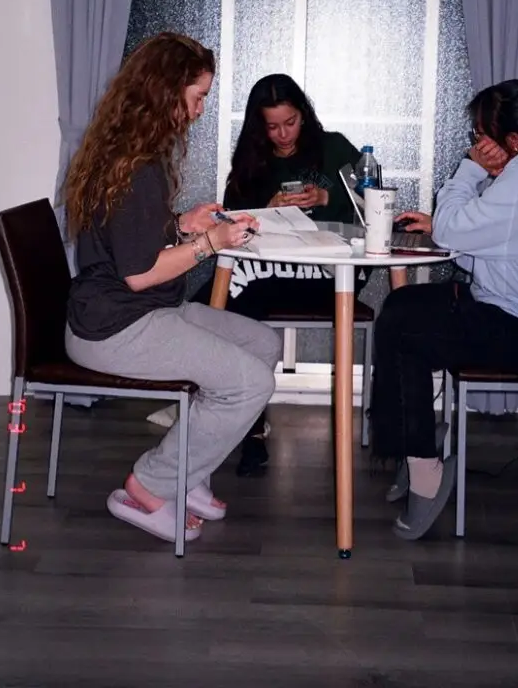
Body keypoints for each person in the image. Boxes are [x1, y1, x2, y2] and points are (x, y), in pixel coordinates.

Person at [64, 32, 282, 544]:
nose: (201, 109)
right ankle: (151, 485)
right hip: (115, 327)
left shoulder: (131, 152)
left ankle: (187, 469)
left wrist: (183, 225)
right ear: (166, 92)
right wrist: (211, 243)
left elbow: (129, 239)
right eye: (198, 96)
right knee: (250, 383)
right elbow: (139, 273)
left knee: (262, 344)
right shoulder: (136, 167)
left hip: (139, 310)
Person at [370, 79, 518, 541]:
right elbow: (497, 243)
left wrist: (467, 174)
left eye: (480, 135)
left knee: (405, 333)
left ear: (512, 141)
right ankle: (414, 445)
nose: (476, 144)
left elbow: (460, 231)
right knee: (400, 307)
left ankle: (424, 470)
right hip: (516, 310)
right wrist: (444, 226)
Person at [149, 74, 366, 475]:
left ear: (304, 115)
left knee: (236, 286)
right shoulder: (253, 160)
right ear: (258, 126)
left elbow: (374, 201)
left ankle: (216, 400)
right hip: (268, 270)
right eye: (272, 126)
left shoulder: (334, 148)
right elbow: (231, 219)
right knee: (243, 291)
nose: (283, 134)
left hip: (332, 270)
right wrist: (268, 207)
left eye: (290, 122)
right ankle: (243, 418)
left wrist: (327, 196)